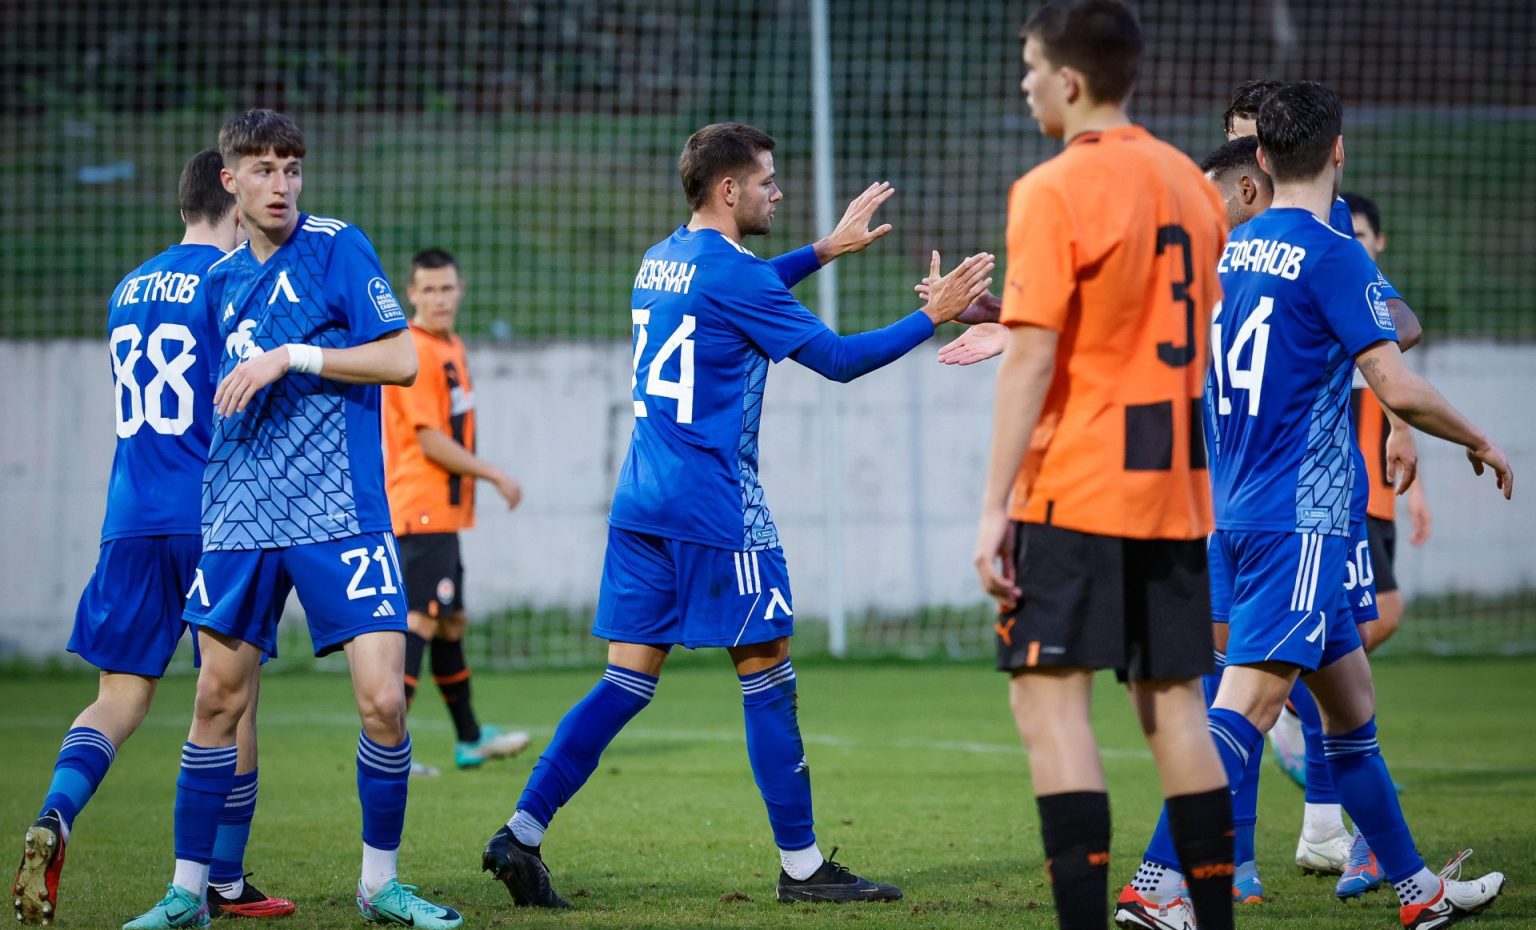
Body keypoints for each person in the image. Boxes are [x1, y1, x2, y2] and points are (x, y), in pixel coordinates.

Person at [480, 121, 994, 909]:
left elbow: (738, 292)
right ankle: (803, 868)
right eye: (767, 180)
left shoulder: (661, 259)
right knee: (767, 670)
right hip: (716, 508)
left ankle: (520, 831)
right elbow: (838, 361)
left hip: (641, 503)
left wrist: (823, 250)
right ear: (729, 190)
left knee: (625, 681)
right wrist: (936, 316)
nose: (777, 192)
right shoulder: (738, 277)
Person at [1118, 80, 1509, 930]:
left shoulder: (1228, 248)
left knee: (1351, 712)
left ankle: (1418, 894)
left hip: (1238, 511)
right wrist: (1478, 437)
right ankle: (1155, 884)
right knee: (1246, 711)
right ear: (1338, 150)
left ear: (1258, 157)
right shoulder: (1333, 253)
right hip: (1298, 522)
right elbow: (1396, 382)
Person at [123, 110, 461, 930]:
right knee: (215, 701)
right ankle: (187, 893)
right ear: (229, 181)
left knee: (384, 702)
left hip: (338, 512)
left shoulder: (338, 247)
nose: (281, 184)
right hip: (241, 516)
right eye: (263, 170)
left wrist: (293, 356)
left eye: (292, 168)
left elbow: (399, 359)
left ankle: (379, 885)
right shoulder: (217, 283)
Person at [969, 4, 1236, 930]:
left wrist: (994, 507)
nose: (1025, 84)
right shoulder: (1193, 185)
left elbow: (1033, 358)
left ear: (1071, 81)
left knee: (1051, 709)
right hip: (1175, 490)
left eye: (1031, 67)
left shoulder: (1053, 188)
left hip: (1078, 484)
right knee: (1177, 713)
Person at [11, 152, 294, 926]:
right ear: (235, 201)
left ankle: (57, 812)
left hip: (130, 517)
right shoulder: (234, 282)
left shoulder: (127, 289)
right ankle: (223, 879)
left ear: (182, 206)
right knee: (235, 702)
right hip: (215, 515)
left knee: (118, 698)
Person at [383, 247, 531, 777]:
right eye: (429, 290)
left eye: (447, 288)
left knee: (450, 622)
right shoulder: (416, 350)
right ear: (412, 294)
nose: (440, 299)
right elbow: (429, 440)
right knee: (420, 619)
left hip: (444, 511)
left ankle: (469, 739)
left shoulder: (451, 345)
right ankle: (389, 750)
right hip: (421, 507)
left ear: (460, 290)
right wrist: (492, 473)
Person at [1343, 190, 1432, 651]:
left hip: (1382, 493)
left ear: (1380, 241)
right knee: (1384, 610)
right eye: (1345, 234)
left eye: (1360, 235)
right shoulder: (1340, 301)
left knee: (1362, 618)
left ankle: (1300, 688)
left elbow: (1397, 405)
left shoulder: (1385, 310)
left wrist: (1416, 492)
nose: (1352, 243)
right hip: (1347, 490)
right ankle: (1294, 689)